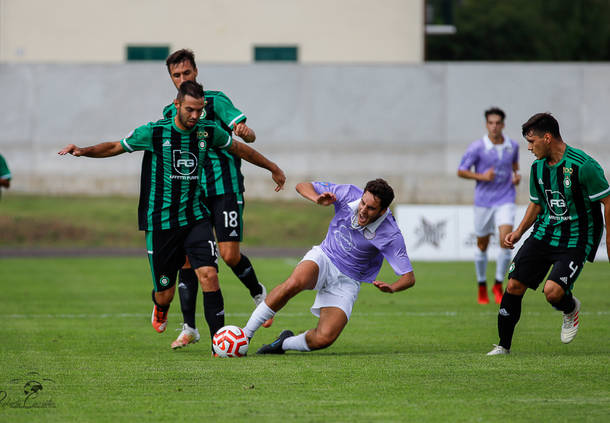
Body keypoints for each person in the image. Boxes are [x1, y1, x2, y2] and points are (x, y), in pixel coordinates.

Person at [58, 81, 286, 351]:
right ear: (177, 105)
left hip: (195, 218)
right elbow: (115, 147)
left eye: (199, 111)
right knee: (164, 292)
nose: (195, 116)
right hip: (162, 223)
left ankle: (219, 345)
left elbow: (239, 149)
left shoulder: (207, 131)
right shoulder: (154, 132)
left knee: (209, 276)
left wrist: (272, 166)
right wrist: (83, 150)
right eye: (190, 109)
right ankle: (160, 307)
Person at [162, 49, 273, 350]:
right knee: (189, 260)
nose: (182, 78)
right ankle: (189, 328)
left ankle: (258, 291)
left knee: (229, 256)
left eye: (187, 73)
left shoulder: (215, 101)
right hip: (192, 196)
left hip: (225, 189)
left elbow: (243, 135)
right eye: (177, 75)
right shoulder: (168, 112)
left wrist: (244, 132)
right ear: (171, 78)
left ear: (196, 72)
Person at [242, 179, 415, 354]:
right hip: (324, 257)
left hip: (349, 280)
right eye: (363, 202)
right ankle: (244, 336)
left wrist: (392, 288)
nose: (363, 209)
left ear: (383, 211)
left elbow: (409, 278)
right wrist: (316, 198)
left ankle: (283, 343)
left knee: (324, 338)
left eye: (371, 208)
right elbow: (302, 185)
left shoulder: (391, 234)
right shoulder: (348, 193)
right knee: (295, 283)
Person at [487, 112, 610, 356]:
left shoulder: (583, 166)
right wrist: (519, 231)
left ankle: (569, 307)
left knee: (552, 292)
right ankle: (503, 346)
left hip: (577, 238)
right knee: (513, 285)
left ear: (547, 137)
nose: (530, 148)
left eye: (532, 142)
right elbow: (536, 203)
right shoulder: (537, 168)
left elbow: (607, 201)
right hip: (544, 233)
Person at [458, 107, 521, 304]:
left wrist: (517, 177)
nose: (494, 126)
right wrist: (481, 176)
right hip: (483, 202)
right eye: (490, 123)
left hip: (505, 199)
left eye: (497, 123)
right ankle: (482, 285)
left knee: (506, 240)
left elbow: (515, 168)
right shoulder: (477, 147)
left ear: (503, 124)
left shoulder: (513, 146)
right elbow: (461, 170)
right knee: (482, 245)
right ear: (487, 124)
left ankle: (498, 284)